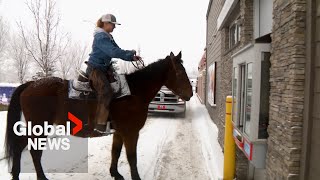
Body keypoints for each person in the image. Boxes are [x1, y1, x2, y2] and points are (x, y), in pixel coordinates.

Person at [86, 14, 141, 135]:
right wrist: (129, 54)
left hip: (104, 69)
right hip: (96, 69)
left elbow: (117, 50)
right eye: (112, 25)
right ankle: (99, 126)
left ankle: (112, 119)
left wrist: (131, 56)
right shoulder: (101, 36)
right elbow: (113, 52)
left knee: (119, 89)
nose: (114, 27)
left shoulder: (108, 36)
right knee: (106, 92)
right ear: (105, 24)